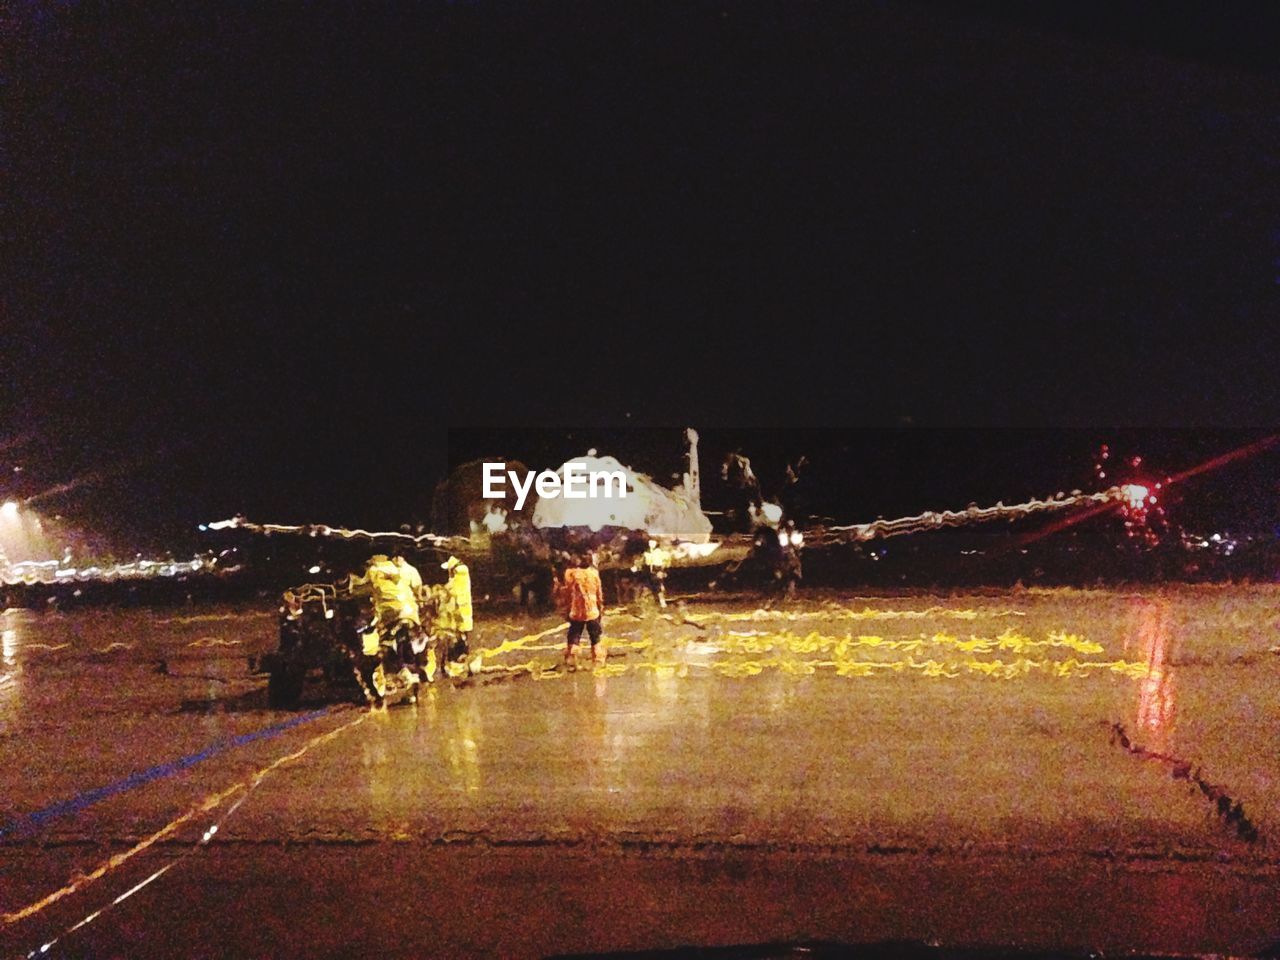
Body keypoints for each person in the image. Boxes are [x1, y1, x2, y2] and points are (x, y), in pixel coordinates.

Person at [562, 552, 604, 668]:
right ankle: (598, 664)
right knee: (595, 639)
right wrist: (601, 610)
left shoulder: (570, 574)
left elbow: (567, 594)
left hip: (576, 611)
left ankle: (573, 662)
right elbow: (599, 594)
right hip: (592, 611)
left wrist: (566, 610)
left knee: (574, 637)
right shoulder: (594, 574)